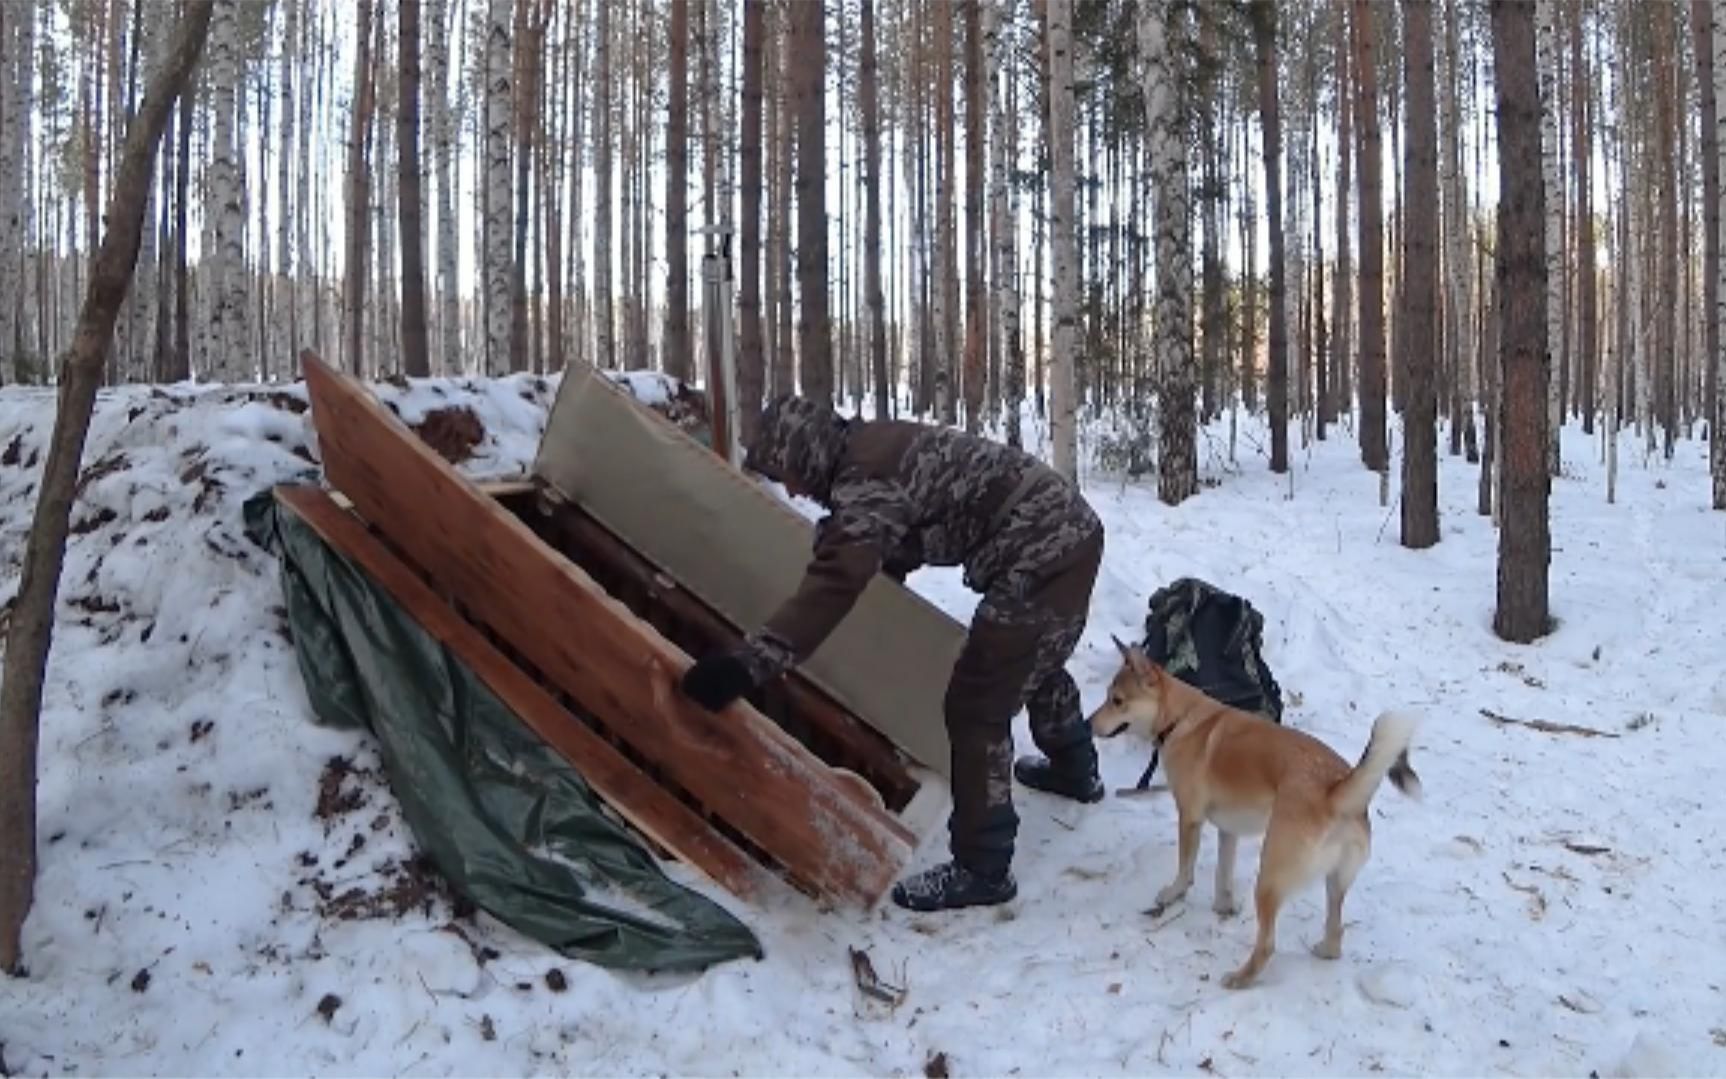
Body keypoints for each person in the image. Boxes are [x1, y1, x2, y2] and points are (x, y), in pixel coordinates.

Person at [677, 395, 1107, 912]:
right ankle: (1074, 769)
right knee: (1030, 653)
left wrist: (750, 664)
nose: (790, 488)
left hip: (1046, 549)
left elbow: (835, 584)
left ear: (807, 452)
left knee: (979, 703)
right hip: (1061, 530)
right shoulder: (867, 449)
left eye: (787, 472)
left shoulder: (866, 483)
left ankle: (983, 867)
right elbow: (917, 519)